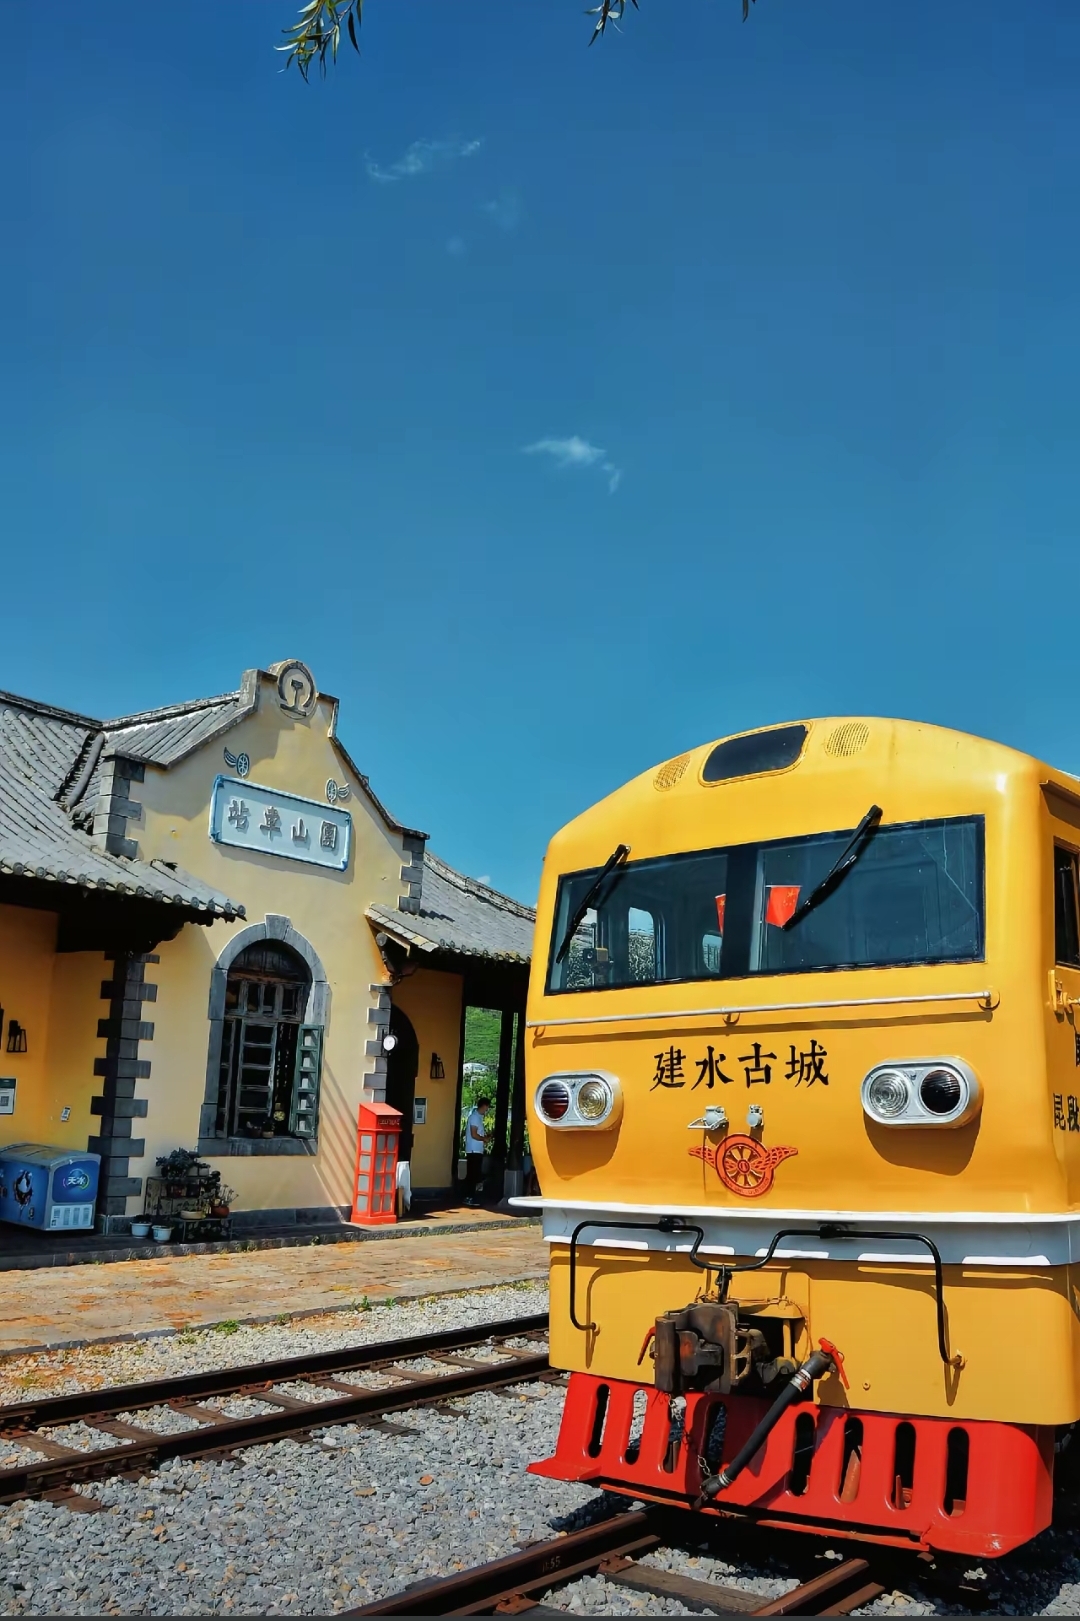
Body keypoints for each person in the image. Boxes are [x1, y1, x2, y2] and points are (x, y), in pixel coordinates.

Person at [464, 1096, 491, 1204]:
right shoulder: (475, 1117)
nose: (487, 1110)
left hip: (476, 1150)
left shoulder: (478, 1118)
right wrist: (484, 1139)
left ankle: (471, 1196)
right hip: (473, 1150)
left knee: (474, 1174)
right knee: (473, 1175)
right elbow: (474, 1134)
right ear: (483, 1106)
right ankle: (469, 1197)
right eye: (487, 1108)